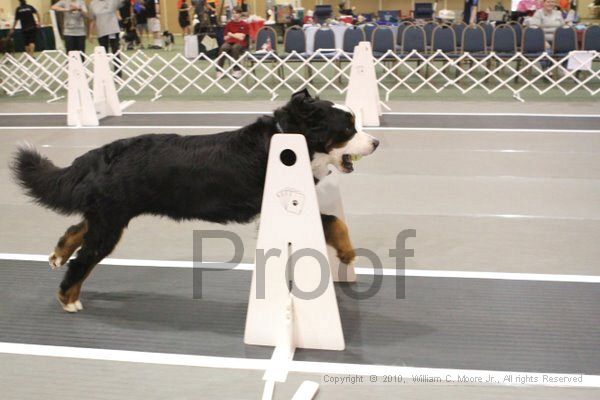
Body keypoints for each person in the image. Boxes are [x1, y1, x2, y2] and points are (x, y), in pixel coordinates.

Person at [89, 0, 122, 75]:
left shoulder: (113, 1)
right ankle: (105, 74)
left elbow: (121, 3)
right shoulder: (92, 3)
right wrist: (90, 33)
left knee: (115, 52)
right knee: (103, 53)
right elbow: (92, 20)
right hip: (101, 31)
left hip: (113, 30)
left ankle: (118, 74)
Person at [216, 6, 248, 79]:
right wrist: (236, 35)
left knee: (235, 48)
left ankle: (237, 70)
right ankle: (219, 70)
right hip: (229, 42)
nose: (235, 15)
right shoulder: (229, 24)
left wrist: (231, 34)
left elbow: (242, 37)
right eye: (233, 13)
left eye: (236, 13)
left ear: (240, 14)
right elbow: (225, 37)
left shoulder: (245, 24)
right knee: (223, 48)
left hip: (241, 43)